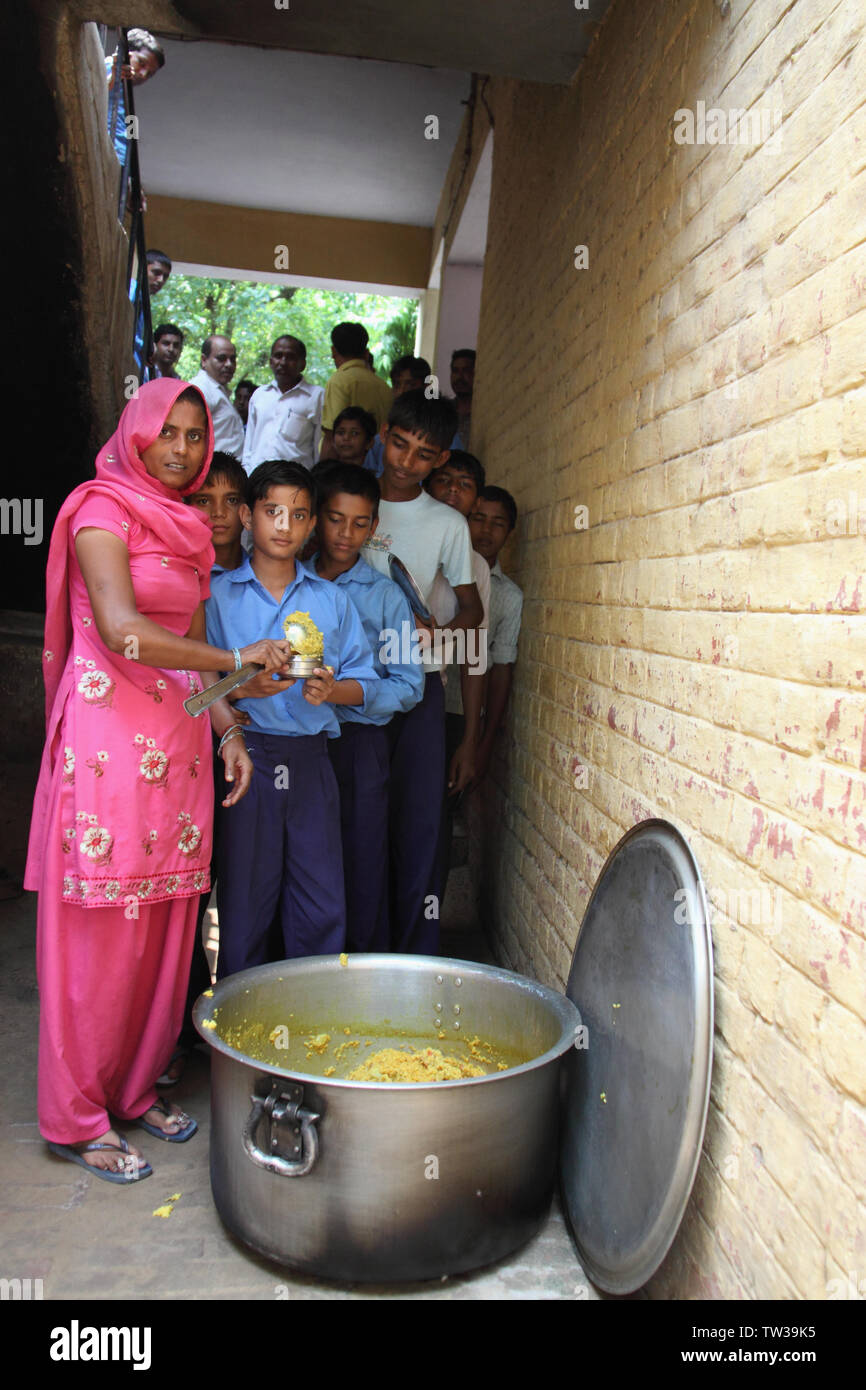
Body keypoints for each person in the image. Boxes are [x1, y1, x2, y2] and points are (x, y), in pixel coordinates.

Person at [23, 379, 292, 1182]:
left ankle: (133, 1090)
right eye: (167, 431)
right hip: (106, 748)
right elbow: (124, 632)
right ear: (137, 432)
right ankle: (75, 1114)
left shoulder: (189, 532)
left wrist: (232, 724)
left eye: (193, 435)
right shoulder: (99, 510)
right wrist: (236, 663)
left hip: (176, 750)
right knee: (98, 936)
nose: (180, 449)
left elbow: (196, 643)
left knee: (164, 934)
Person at [205, 460, 378, 975]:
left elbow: (364, 681)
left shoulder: (332, 600)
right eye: (272, 511)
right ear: (247, 516)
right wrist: (244, 682)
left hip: (311, 763)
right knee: (245, 903)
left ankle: (310, 1030)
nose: (285, 525)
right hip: (247, 759)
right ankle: (240, 1028)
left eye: (299, 515)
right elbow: (194, 689)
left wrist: (331, 689)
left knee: (320, 899)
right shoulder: (215, 595)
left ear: (311, 526)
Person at [361, 390, 481, 953]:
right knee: (359, 826)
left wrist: (442, 632)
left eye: (423, 454)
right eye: (400, 444)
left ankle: (409, 957)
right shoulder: (350, 500)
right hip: (348, 686)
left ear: (440, 459)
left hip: (419, 690)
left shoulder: (448, 524)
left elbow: (472, 607)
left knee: (417, 825)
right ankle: (356, 949)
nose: (405, 462)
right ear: (384, 433)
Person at [160, 451, 251, 1085]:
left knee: (237, 891)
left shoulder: (265, 577)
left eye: (229, 501)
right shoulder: (171, 578)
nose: (216, 514)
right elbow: (193, 678)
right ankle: (175, 1029)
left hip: (244, 751)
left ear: (247, 511)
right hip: (175, 750)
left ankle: (236, 1022)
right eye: (202, 500)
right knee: (184, 894)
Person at [309, 464, 424, 951]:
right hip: (298, 742)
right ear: (316, 518)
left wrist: (342, 693)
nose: (346, 534)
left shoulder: (385, 597)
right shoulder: (289, 580)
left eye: (360, 523)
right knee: (305, 866)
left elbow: (408, 685)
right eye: (336, 519)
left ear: (374, 527)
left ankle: (359, 981)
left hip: (359, 746)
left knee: (361, 863)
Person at [469, 486, 524, 786]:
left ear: (509, 532)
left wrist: (486, 739)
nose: (486, 530)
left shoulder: (509, 596)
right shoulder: (446, 575)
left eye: (498, 523)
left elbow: (502, 667)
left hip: (466, 714)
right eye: (478, 518)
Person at [242, 336, 323, 473]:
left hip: (296, 482)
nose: (283, 362)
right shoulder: (260, 395)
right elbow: (249, 444)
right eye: (278, 356)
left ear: (302, 364)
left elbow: (318, 448)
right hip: (257, 480)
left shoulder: (316, 397)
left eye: (290, 357)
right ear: (271, 361)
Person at [320, 323, 392, 459]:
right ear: (366, 352)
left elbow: (331, 436)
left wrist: (323, 474)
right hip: (378, 464)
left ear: (333, 351)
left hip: (347, 468)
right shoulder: (383, 385)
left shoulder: (339, 381)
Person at [104, 29, 165, 166]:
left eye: (149, 73)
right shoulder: (108, 68)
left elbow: (131, 135)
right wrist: (113, 76)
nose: (143, 74)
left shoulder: (126, 95)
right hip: (106, 157)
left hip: (117, 163)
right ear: (127, 54)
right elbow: (94, 94)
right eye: (142, 63)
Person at [364, 355, 431, 477]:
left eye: (410, 385)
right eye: (396, 384)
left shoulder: (440, 433)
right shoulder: (380, 440)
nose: (401, 391)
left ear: (426, 387)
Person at [191, 336, 245, 458]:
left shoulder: (217, 389)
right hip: (212, 472)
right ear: (204, 360)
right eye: (221, 359)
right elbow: (190, 435)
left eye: (233, 359)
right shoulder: (201, 388)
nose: (229, 364)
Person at [450, 348, 476, 450]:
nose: (459, 377)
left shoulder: (485, 413)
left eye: (466, 371)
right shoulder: (444, 412)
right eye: (455, 371)